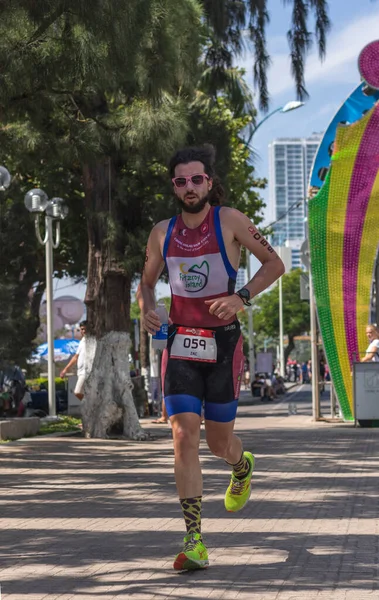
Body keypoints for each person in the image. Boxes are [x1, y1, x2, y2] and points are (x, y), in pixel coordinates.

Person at [139, 144, 284, 571]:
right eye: (181, 181)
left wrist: (240, 298)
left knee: (219, 442)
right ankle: (194, 540)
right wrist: (149, 308)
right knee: (184, 435)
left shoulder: (231, 220)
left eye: (196, 179)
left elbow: (274, 264)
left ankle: (241, 465)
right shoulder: (161, 232)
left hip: (224, 344)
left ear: (209, 182)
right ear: (174, 186)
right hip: (181, 343)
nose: (189, 187)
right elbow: (146, 282)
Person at [60, 321, 87, 400]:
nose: (84, 331)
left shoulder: (92, 340)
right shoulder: (82, 341)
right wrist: (65, 370)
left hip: (87, 372)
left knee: (77, 392)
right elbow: (76, 357)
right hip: (80, 372)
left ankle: (90, 405)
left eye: (85, 329)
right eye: (82, 329)